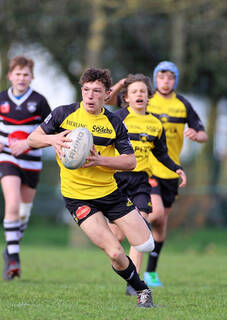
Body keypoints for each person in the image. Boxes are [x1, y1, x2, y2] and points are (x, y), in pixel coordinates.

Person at [27, 67, 154, 308]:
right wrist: (52, 139)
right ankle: (142, 290)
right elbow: (31, 139)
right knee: (116, 253)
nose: (90, 96)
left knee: (146, 243)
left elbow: (130, 161)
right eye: (86, 90)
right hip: (78, 198)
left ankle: (115, 225)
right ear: (81, 91)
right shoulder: (63, 114)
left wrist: (100, 160)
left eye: (96, 91)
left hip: (111, 194)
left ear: (107, 94)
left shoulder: (114, 121)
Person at [108, 73, 186, 296]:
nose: (139, 94)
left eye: (143, 91)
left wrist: (177, 169)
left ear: (148, 97)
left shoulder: (155, 123)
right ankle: (124, 267)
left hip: (141, 181)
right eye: (134, 91)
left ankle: (133, 283)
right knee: (117, 238)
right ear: (126, 98)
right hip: (117, 179)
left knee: (141, 228)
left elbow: (162, 154)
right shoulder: (117, 118)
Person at [144, 61, 208, 287]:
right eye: (161, 77)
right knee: (156, 214)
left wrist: (195, 134)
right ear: (155, 79)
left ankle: (150, 272)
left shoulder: (183, 104)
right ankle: (132, 229)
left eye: (170, 77)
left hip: (172, 171)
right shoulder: (147, 100)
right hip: (148, 167)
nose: (165, 81)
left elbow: (203, 134)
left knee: (161, 225)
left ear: (175, 80)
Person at [0, 56, 51, 281]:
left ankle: (10, 248)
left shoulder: (39, 101)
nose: (21, 78)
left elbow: (50, 128)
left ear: (32, 77)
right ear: (10, 75)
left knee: (24, 213)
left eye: (26, 74)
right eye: (17, 74)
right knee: (11, 204)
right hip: (7, 158)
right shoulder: (1, 99)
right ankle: (14, 259)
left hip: (32, 160)